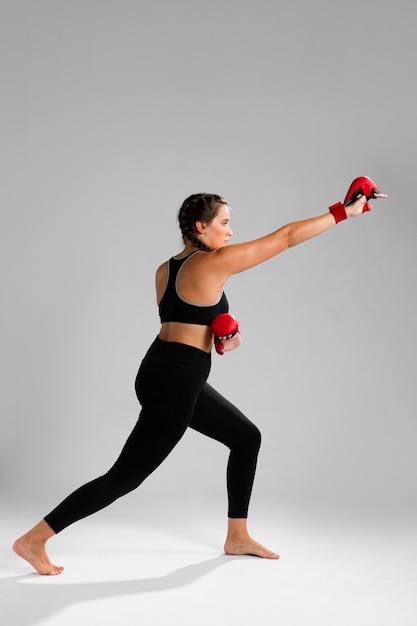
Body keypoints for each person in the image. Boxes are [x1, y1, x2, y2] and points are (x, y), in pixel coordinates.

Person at [13, 183, 386, 575]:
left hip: (161, 368)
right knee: (123, 477)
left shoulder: (165, 270)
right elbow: (286, 238)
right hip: (177, 380)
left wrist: (225, 336)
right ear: (200, 226)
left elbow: (188, 326)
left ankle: (237, 535)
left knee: (245, 438)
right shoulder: (213, 263)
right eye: (224, 223)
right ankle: (35, 539)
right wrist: (345, 211)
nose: (229, 232)